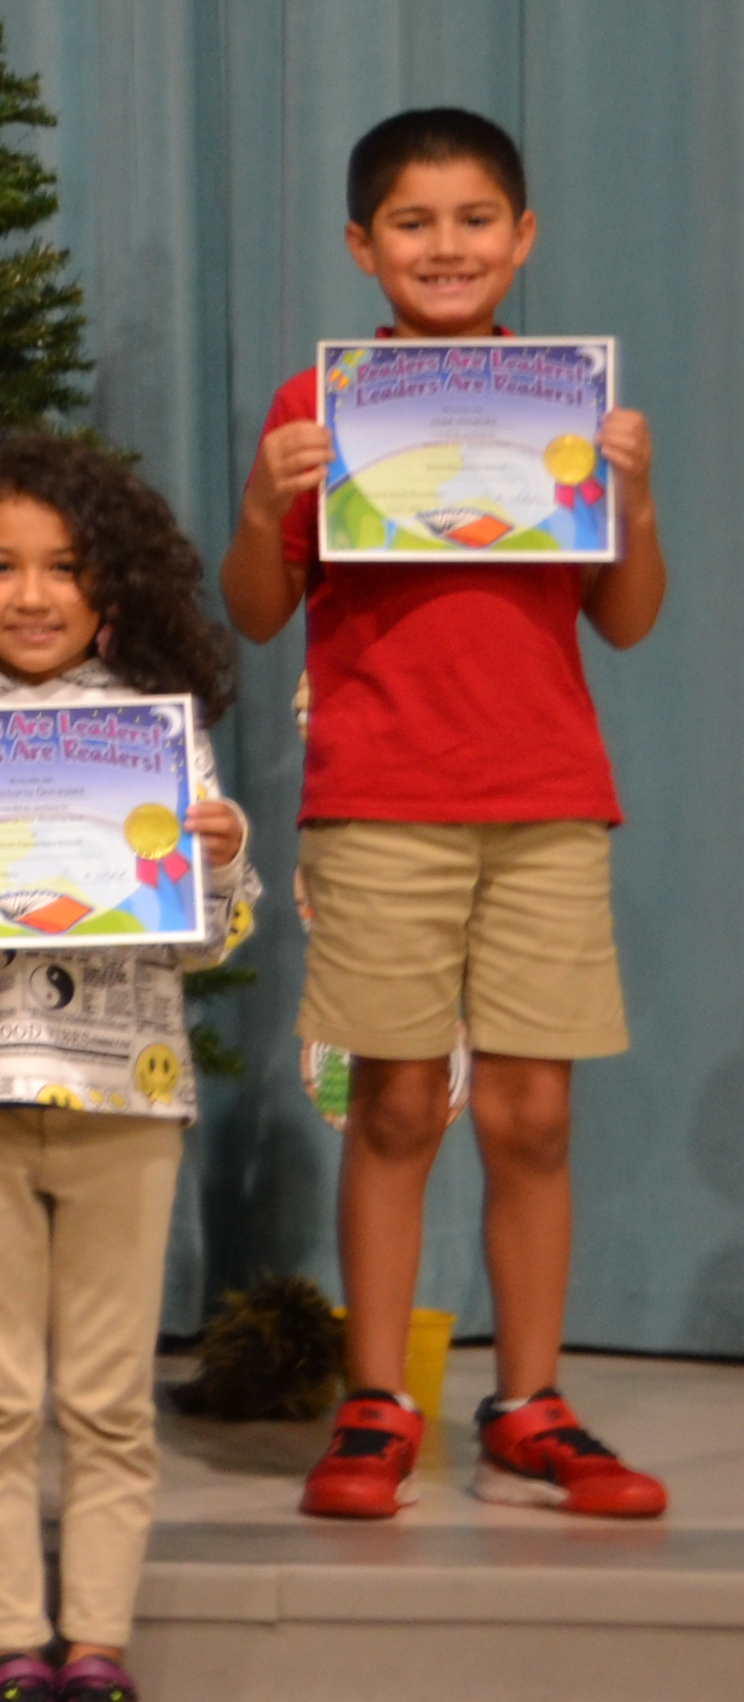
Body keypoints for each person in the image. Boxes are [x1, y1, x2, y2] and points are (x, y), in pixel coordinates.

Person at [225, 109, 670, 1520]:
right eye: (412, 224)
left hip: (547, 796)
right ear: (363, 246)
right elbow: (254, 613)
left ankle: (531, 1402)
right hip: (379, 799)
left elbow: (628, 622)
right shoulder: (318, 407)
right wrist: (257, 506)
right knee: (401, 1102)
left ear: (522, 238)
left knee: (534, 1115)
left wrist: (636, 504)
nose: (447, 246)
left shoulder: (565, 403)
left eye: (476, 220)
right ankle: (377, 1400)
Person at [0, 438, 261, 1702]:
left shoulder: (153, 737)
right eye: (1, 568)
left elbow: (208, 938)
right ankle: (14, 1647)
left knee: (112, 1396)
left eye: (63, 569)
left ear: (110, 588)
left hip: (127, 1099)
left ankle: (101, 1649)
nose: (32, 595)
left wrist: (221, 861)